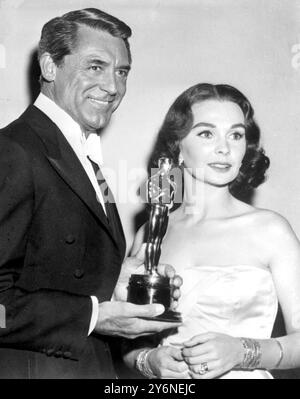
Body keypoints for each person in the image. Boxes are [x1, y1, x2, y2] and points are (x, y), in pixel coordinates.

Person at [0, 8, 182, 379]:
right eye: (95, 67)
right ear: (50, 67)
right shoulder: (13, 151)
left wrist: (118, 285)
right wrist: (95, 316)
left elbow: (57, 272)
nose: (114, 87)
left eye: (122, 71)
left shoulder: (81, 156)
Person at [123, 83, 300, 379]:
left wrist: (242, 351)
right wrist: (149, 361)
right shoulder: (151, 233)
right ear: (177, 146)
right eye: (207, 133)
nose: (224, 148)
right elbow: (127, 340)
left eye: (236, 134)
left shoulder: (271, 230)